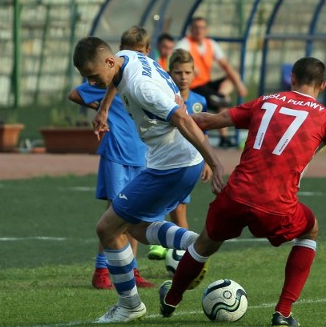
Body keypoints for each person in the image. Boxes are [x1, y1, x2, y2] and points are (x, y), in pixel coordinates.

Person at [158, 57, 326, 326]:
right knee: (310, 230)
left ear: (293, 79)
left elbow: (210, 120)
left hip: (235, 195)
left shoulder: (265, 101)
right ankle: (283, 313)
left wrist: (169, 117)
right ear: (322, 85)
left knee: (205, 242)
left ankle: (171, 299)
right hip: (277, 205)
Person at [73, 35, 226, 323]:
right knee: (137, 229)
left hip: (173, 165)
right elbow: (116, 80)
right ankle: (197, 242)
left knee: (107, 228)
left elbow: (182, 118)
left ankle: (130, 305)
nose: (91, 84)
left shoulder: (141, 87)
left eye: (93, 77)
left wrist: (215, 162)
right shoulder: (127, 57)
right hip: (169, 161)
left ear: (108, 61)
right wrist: (104, 108)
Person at [68, 27, 153, 290]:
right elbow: (76, 94)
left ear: (146, 53)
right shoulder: (106, 83)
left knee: (135, 214)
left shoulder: (143, 79)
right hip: (116, 152)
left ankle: (133, 270)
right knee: (115, 214)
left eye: (139, 52)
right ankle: (102, 269)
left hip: (142, 153)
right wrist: (103, 112)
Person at [147, 48, 213, 260]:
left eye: (187, 72)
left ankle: (186, 257)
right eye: (178, 73)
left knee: (180, 208)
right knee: (158, 199)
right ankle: (167, 247)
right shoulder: (163, 96)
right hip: (165, 157)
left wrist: (207, 162)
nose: (183, 77)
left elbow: (202, 133)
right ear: (170, 74)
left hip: (188, 161)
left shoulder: (199, 100)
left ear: (194, 73)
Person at [175, 16, 248, 148]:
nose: (199, 31)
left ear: (206, 29)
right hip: (193, 85)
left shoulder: (211, 44)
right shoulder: (184, 44)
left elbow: (226, 65)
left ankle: (220, 95)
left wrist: (239, 84)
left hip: (206, 83)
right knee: (221, 102)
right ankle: (223, 136)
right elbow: (180, 61)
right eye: (196, 28)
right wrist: (190, 69)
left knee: (232, 78)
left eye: (202, 28)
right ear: (191, 29)